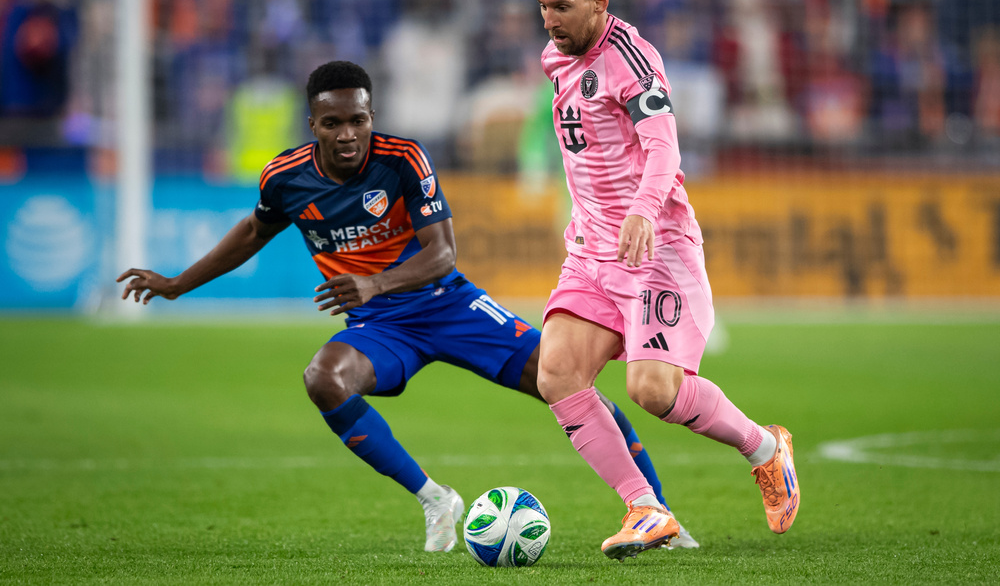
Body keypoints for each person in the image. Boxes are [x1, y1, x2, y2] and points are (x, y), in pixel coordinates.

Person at [117, 60, 698, 553]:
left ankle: (658, 514)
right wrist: (177, 283)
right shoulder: (285, 177)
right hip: (379, 327)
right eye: (334, 123)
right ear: (312, 125)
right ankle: (435, 499)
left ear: (372, 116)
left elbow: (442, 255)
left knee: (565, 382)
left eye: (359, 120)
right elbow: (251, 234)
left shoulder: (402, 159)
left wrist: (372, 284)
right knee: (323, 378)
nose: (349, 134)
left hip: (450, 306)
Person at [525, 0, 801, 561]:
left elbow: (663, 148)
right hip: (591, 251)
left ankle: (764, 448)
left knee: (653, 391)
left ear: (600, 1)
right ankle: (646, 509)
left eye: (561, 6)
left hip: (656, 247)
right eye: (542, 6)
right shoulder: (555, 55)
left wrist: (643, 212)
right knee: (557, 373)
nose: (549, 19)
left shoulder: (632, 57)